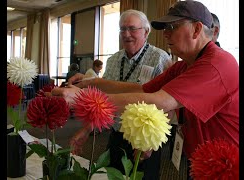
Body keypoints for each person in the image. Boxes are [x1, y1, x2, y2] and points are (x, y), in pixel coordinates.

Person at [53, 1, 238, 179]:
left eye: (172, 27)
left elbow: (160, 101)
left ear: (197, 29)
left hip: (227, 165)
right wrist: (88, 83)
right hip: (203, 159)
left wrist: (83, 98)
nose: (165, 34)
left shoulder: (216, 63)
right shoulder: (185, 65)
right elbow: (141, 89)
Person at [65, 9, 172, 180]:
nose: (126, 34)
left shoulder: (160, 58)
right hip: (116, 136)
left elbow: (168, 104)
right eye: (122, 29)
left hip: (144, 139)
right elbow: (103, 101)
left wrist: (149, 143)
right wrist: (86, 129)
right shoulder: (113, 60)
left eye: (132, 28)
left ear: (146, 31)